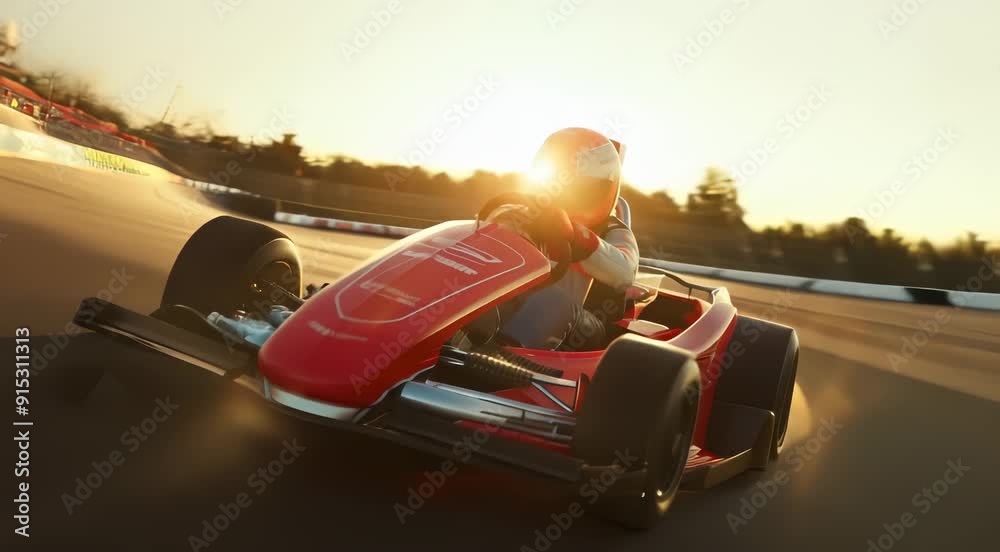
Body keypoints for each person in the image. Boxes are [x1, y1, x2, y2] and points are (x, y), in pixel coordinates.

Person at [484, 127, 639, 350]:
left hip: (584, 329)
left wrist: (577, 238)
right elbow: (491, 229)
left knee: (550, 300)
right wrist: (505, 219)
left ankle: (503, 358)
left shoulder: (614, 230)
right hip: (516, 307)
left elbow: (624, 273)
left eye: (576, 189)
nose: (564, 194)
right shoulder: (526, 212)